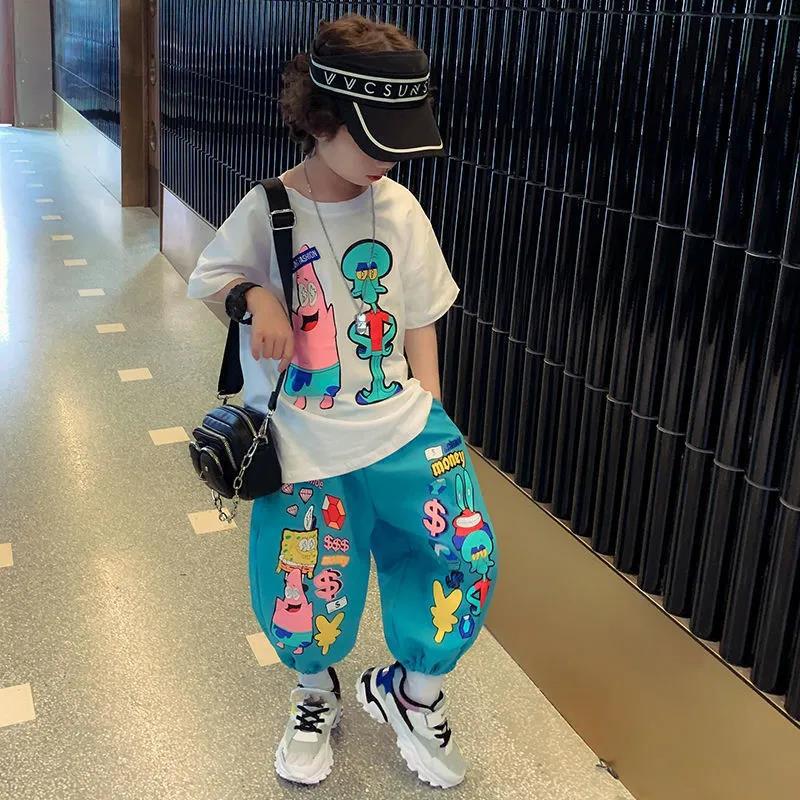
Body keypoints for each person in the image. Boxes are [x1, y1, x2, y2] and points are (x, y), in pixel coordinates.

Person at [187, 13, 499, 789]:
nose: (388, 159)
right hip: (306, 445)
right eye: (374, 139)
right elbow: (212, 277)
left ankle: (411, 692)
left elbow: (421, 315)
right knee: (304, 584)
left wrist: (434, 410)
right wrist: (257, 296)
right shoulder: (270, 207)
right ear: (320, 120)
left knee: (465, 555)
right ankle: (314, 692)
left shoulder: (399, 207)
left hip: (407, 431)